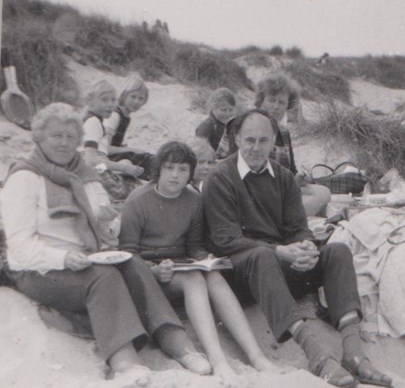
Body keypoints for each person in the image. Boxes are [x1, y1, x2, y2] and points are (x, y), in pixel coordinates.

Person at [0, 103, 212, 381]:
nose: (64, 143)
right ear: (38, 138)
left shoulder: (85, 174)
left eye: (70, 137)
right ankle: (123, 360)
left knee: (133, 263)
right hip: (39, 269)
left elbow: (104, 225)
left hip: (86, 258)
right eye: (56, 136)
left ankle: (177, 343)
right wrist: (63, 258)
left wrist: (108, 226)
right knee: (103, 277)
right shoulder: (24, 178)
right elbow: (19, 248)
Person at [202, 110, 393, 388]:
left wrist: (305, 247)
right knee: (262, 254)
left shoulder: (283, 177)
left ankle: (353, 353)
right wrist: (281, 251)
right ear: (237, 139)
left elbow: (298, 227)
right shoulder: (220, 178)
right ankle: (317, 356)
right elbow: (225, 239)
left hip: (279, 263)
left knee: (337, 251)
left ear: (274, 142)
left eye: (263, 141)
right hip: (241, 272)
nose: (256, 148)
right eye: (250, 140)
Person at [119, 141, 280, 380]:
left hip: (178, 266)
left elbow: (194, 246)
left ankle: (256, 355)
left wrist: (206, 258)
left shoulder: (193, 199)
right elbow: (127, 252)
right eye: (169, 168)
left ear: (190, 173)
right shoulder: (138, 200)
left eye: (183, 169)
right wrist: (153, 270)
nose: (175, 175)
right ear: (159, 169)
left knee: (213, 276)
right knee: (194, 279)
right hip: (148, 274)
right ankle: (219, 361)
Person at [254, 73, 330, 216]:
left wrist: (299, 178)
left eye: (282, 102)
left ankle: (288, 219)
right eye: (271, 100)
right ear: (261, 101)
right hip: (256, 193)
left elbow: (291, 171)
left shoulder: (283, 132)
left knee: (323, 192)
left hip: (280, 191)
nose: (276, 107)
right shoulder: (249, 128)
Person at [82, 79, 144, 179]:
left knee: (127, 163)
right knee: (129, 182)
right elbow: (90, 160)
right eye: (104, 99)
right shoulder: (93, 122)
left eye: (113, 100)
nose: (110, 104)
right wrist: (122, 168)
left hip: (96, 168)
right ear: (90, 101)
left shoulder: (95, 120)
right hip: (94, 172)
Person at [104, 74, 154, 178]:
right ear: (124, 95)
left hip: (113, 156)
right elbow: (104, 148)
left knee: (149, 158)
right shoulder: (115, 115)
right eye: (133, 96)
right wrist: (129, 149)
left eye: (141, 98)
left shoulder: (125, 116)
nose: (136, 102)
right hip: (103, 160)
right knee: (139, 161)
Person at [195, 88, 237, 160]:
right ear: (213, 108)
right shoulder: (206, 127)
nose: (228, 114)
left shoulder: (232, 125)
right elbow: (198, 153)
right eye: (223, 110)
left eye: (231, 110)